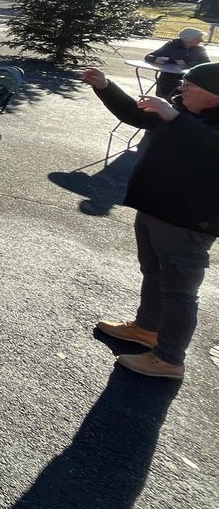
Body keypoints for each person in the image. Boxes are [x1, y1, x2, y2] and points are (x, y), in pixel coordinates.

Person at [82, 62, 219, 380]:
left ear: (215, 94)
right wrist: (105, 86)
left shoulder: (185, 116)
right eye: (183, 83)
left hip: (189, 221)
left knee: (180, 292)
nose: (182, 89)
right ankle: (147, 328)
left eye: (190, 85)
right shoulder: (182, 108)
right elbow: (136, 115)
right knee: (154, 273)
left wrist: (174, 118)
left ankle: (169, 359)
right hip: (155, 207)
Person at [145, 27, 209, 97]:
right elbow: (148, 56)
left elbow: (206, 64)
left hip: (189, 80)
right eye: (198, 38)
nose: (201, 40)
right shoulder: (172, 45)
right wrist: (155, 59)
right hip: (168, 78)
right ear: (188, 38)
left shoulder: (200, 50)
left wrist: (188, 63)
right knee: (165, 90)